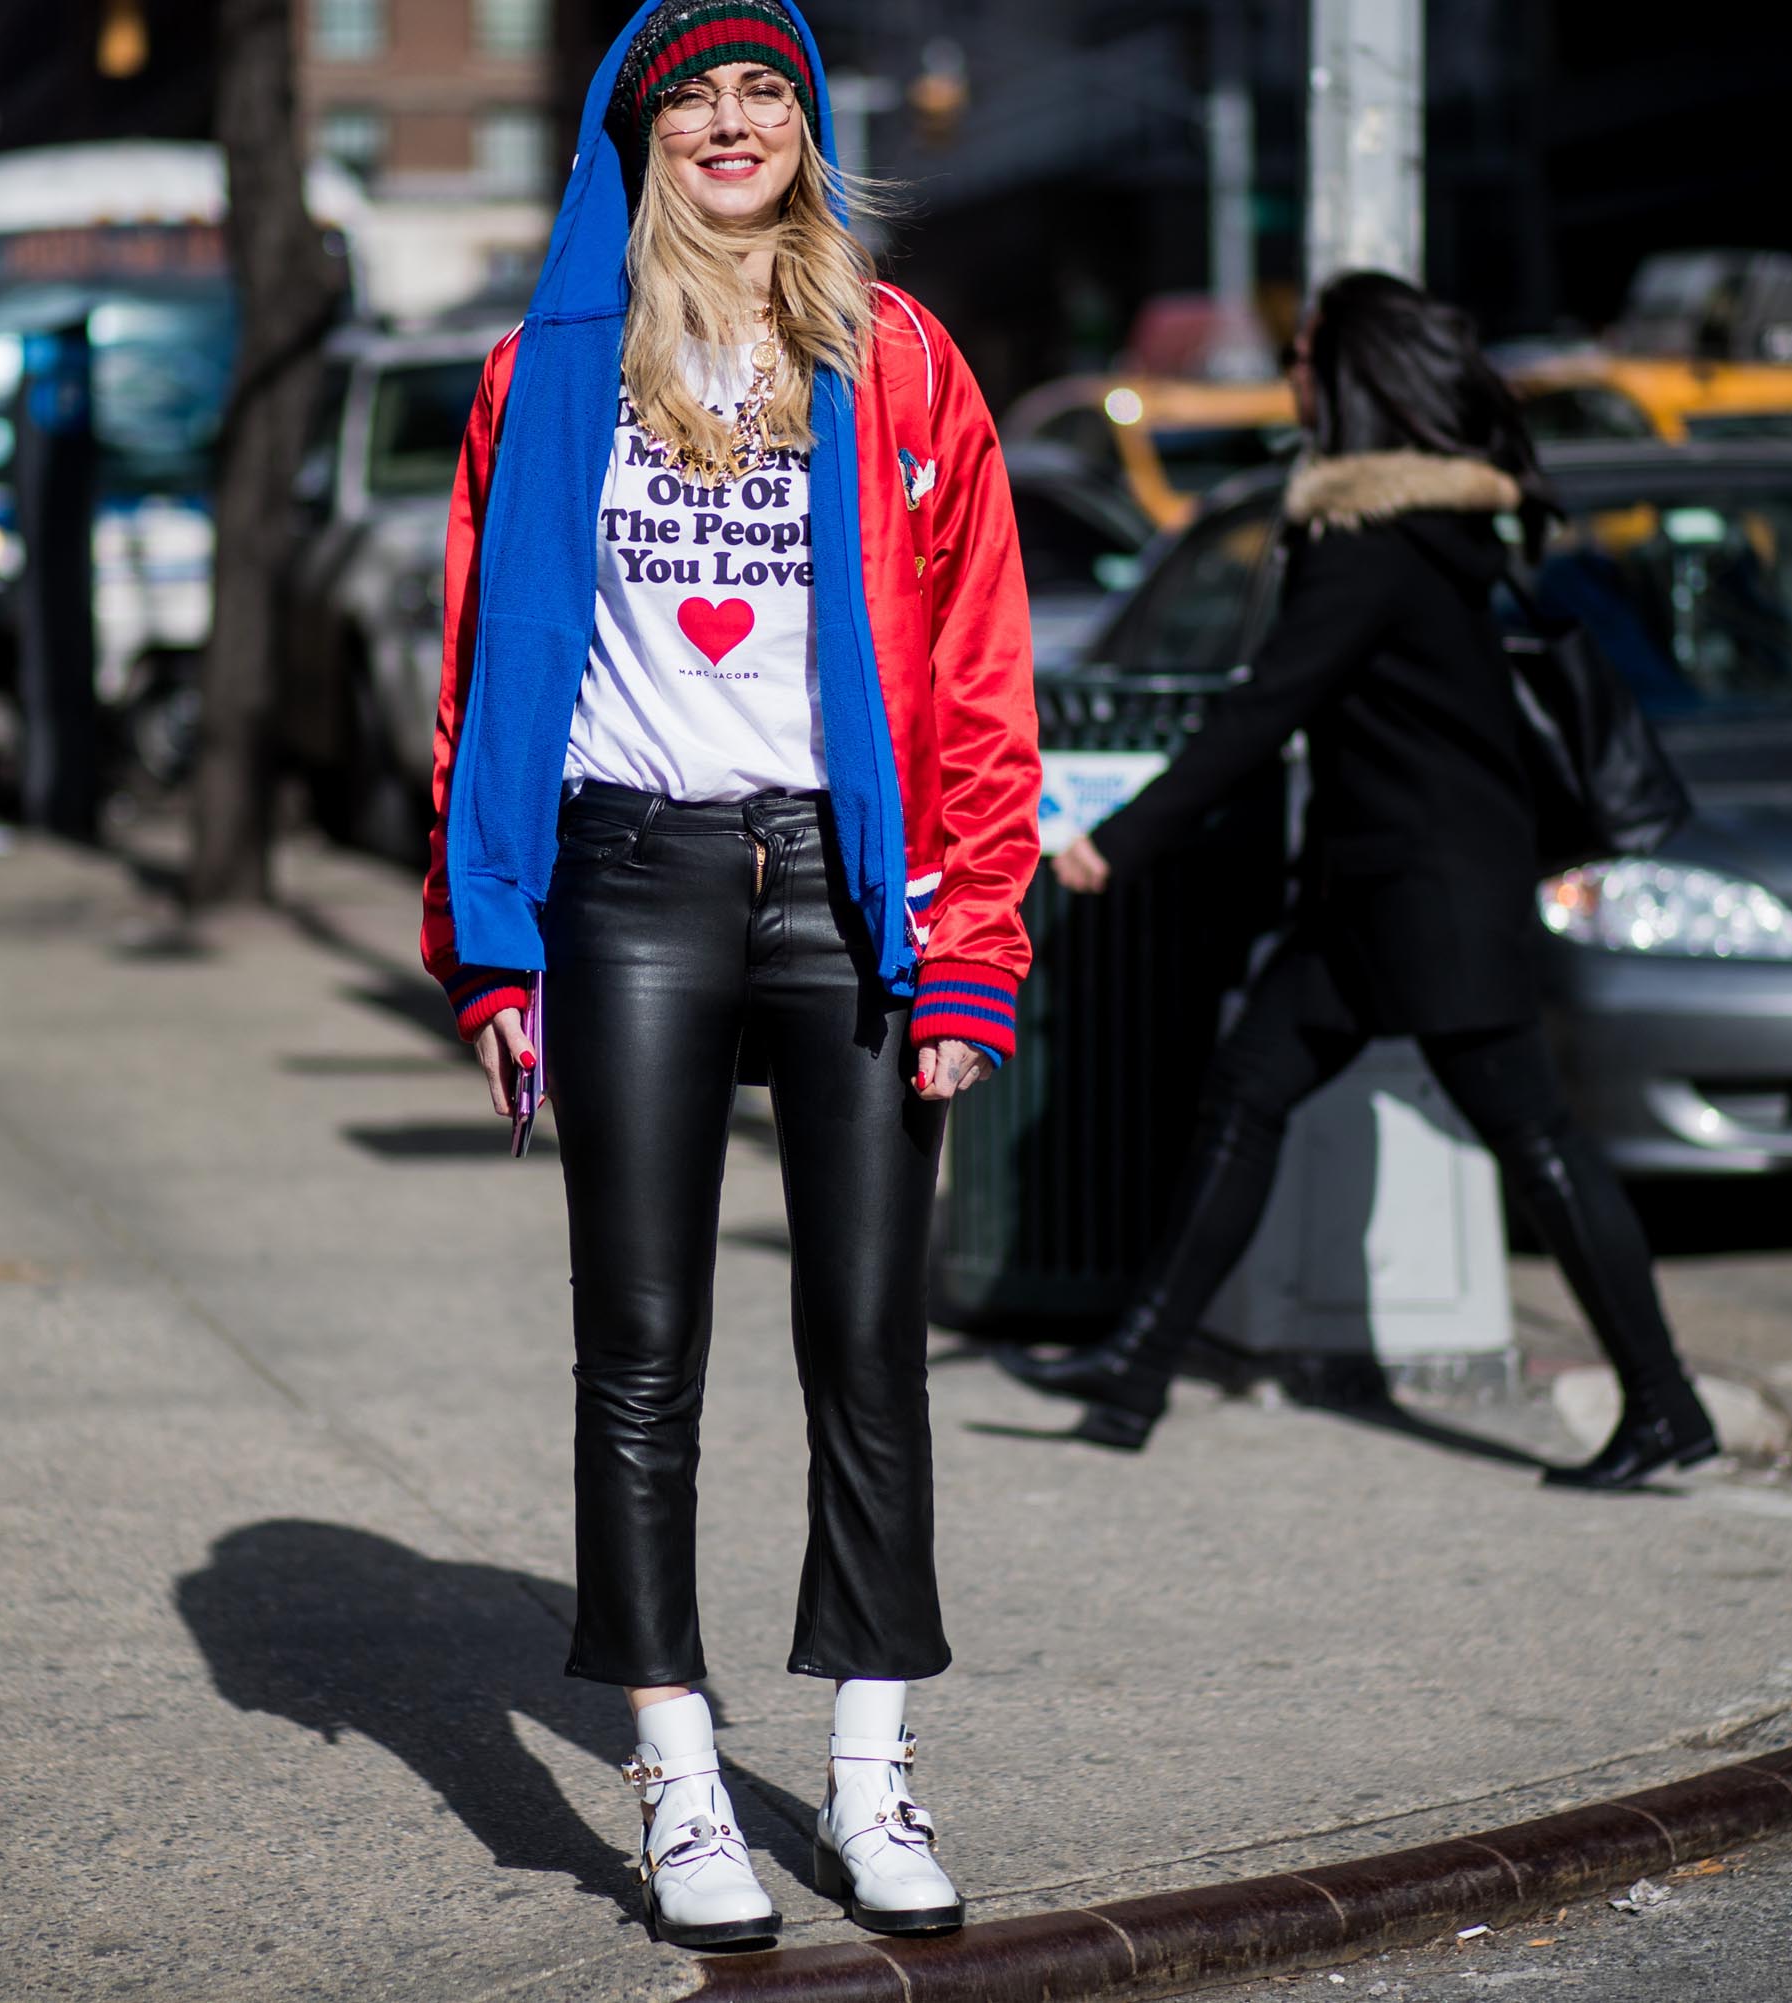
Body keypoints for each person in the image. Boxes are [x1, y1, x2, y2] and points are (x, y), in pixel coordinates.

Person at [422, 0, 1040, 1949]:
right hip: (631, 878)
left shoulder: (898, 352)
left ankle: (869, 1772)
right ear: (639, 132)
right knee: (644, 1349)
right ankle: (680, 1774)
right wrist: (493, 940)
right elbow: (482, 673)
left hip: (845, 889)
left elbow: (974, 675)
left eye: (766, 87)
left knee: (867, 1341)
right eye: (697, 92)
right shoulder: (549, 374)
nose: (735, 120)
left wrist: (970, 956)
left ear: (810, 123)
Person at [997, 271, 1720, 1492]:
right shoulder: (1425, 532)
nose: (1290, 377)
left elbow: (1262, 710)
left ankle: (1665, 1402)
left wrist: (1118, 837)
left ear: (1354, 382)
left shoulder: (1369, 545)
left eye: (1308, 358)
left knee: (1537, 1140)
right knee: (1248, 1092)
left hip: (1430, 902)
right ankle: (1134, 1369)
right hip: (1375, 898)